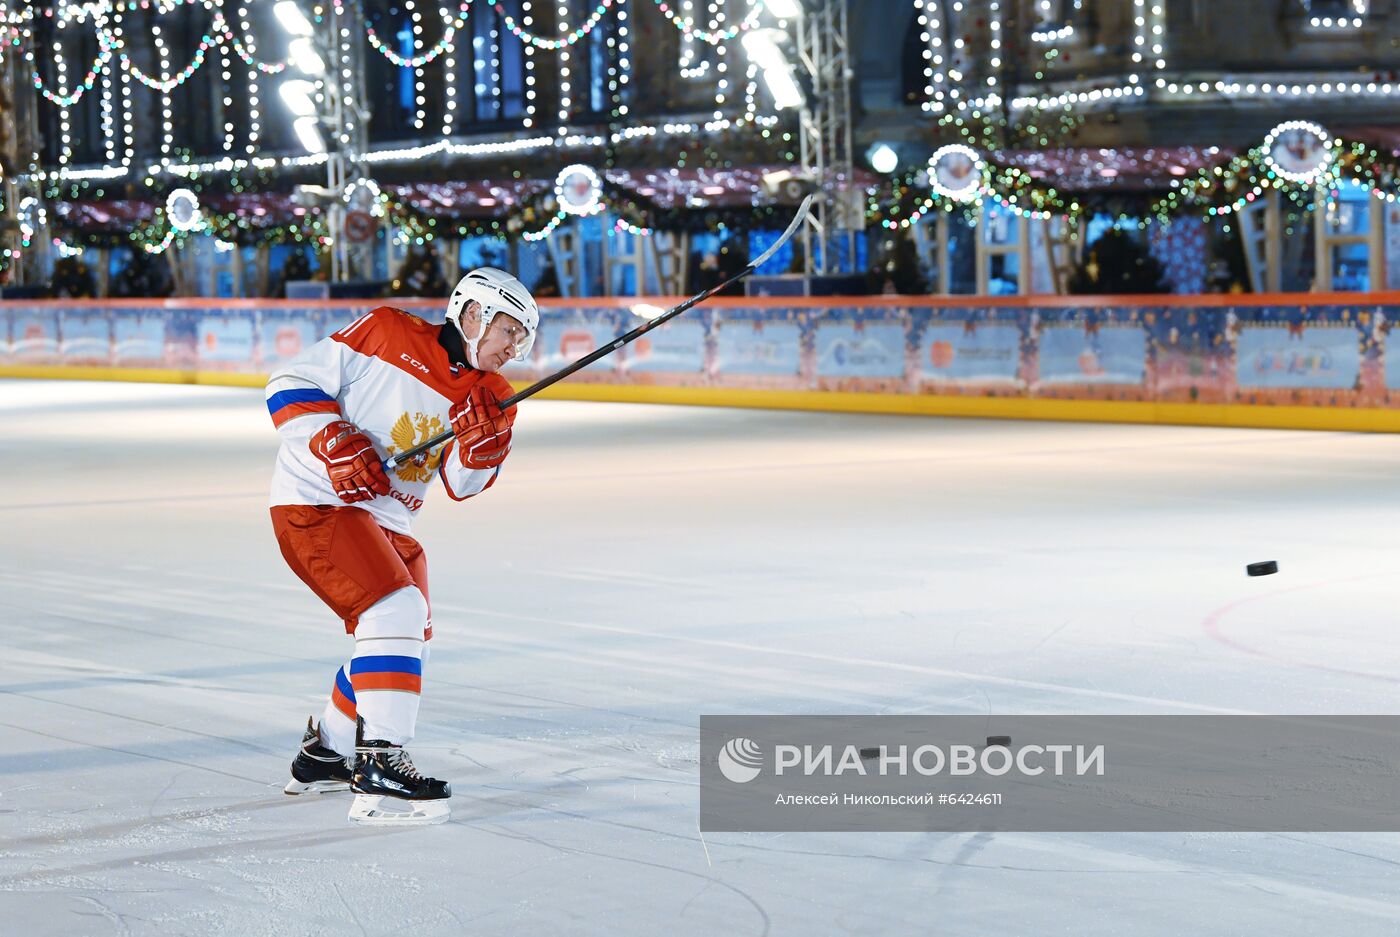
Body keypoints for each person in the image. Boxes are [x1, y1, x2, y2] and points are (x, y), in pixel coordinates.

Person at [264, 267, 538, 825]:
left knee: (406, 640)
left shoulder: (496, 394)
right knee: (396, 612)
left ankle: (325, 755)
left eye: (524, 338)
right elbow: (288, 383)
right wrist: (332, 440)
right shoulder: (388, 331)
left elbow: (464, 485)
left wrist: (482, 449)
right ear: (473, 313)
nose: (516, 347)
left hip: (390, 522)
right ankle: (382, 765)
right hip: (320, 501)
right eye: (509, 330)